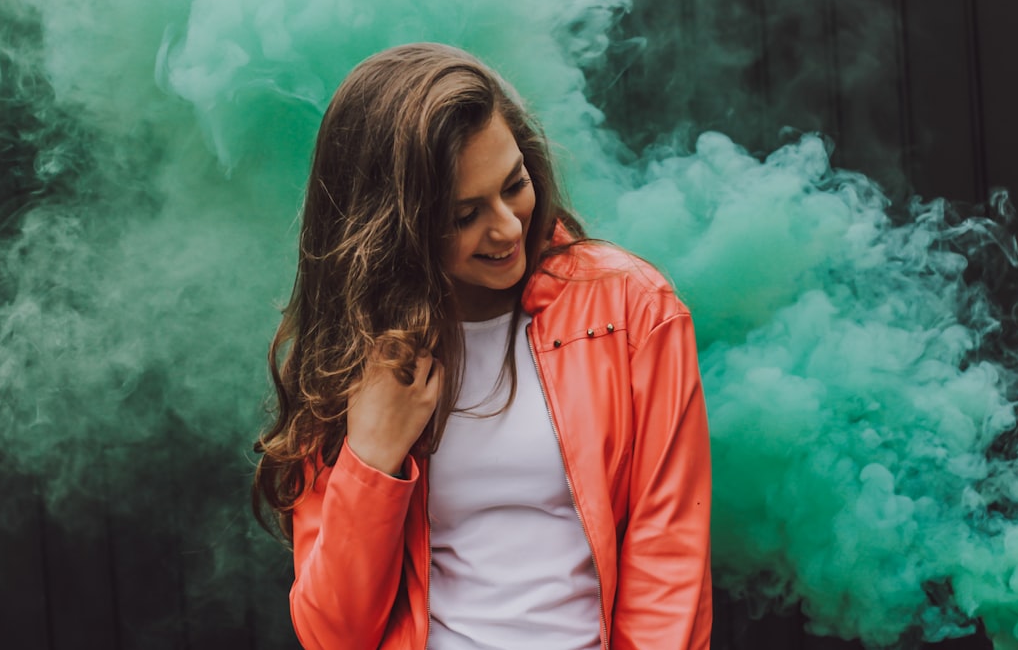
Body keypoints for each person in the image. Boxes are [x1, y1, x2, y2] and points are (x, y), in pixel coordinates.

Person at [252, 42, 712, 650]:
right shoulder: (357, 353)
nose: (507, 227)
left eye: (514, 184)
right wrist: (372, 455)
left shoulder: (632, 308)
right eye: (464, 214)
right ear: (395, 225)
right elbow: (336, 635)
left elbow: (669, 556)